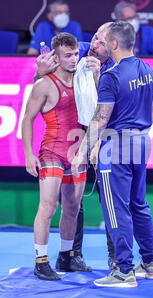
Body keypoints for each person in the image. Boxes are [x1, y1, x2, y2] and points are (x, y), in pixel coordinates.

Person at [72, 21, 153, 288]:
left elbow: (99, 120)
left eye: (103, 39)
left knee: (116, 209)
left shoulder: (111, 76)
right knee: (139, 204)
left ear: (113, 44)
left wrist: (81, 154)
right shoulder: (149, 70)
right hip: (142, 143)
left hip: (117, 146)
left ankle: (123, 271)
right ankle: (150, 263)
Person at [34, 22, 118, 271]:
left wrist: (98, 76)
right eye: (94, 37)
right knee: (73, 202)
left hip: (105, 134)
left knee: (109, 198)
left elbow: (111, 108)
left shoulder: (117, 65)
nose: (94, 44)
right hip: (73, 136)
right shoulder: (78, 51)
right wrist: (39, 71)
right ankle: (72, 254)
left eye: (102, 42)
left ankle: (115, 258)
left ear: (113, 46)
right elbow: (42, 82)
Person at [22, 32, 96, 281]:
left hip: (77, 153)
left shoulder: (83, 79)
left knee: (73, 207)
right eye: (67, 55)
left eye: (76, 54)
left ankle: (66, 256)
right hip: (52, 152)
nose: (74, 59)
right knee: (48, 206)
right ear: (55, 56)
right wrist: (29, 154)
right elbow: (27, 119)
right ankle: (40, 261)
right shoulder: (44, 84)